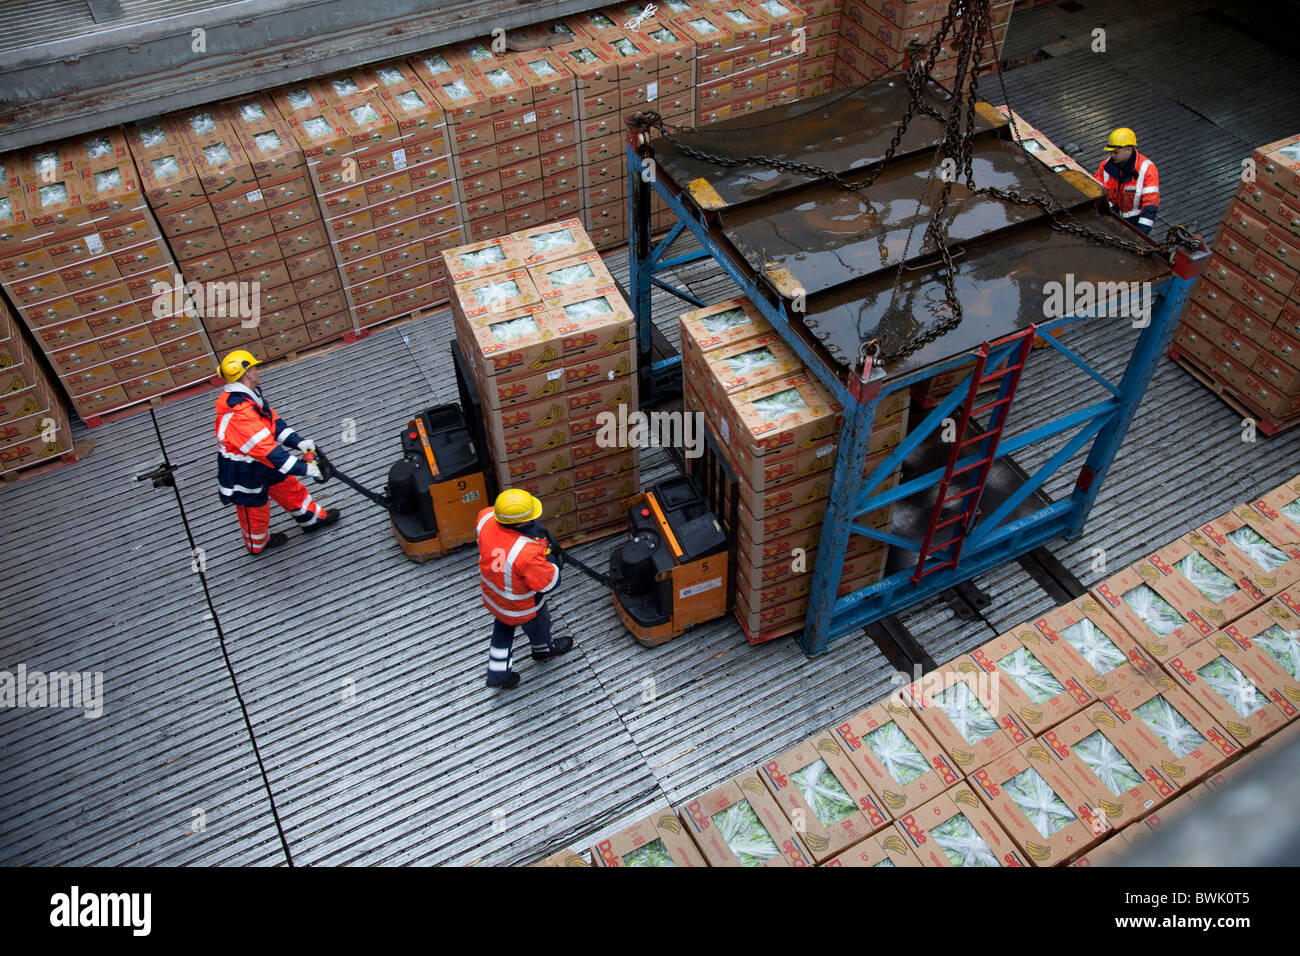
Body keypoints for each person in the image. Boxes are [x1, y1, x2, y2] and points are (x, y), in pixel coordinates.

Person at [215, 349, 340, 554]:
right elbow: (273, 454)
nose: (258, 371)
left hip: (262, 460)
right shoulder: (240, 414)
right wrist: (309, 469)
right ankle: (257, 544)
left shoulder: (250, 399)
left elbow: (274, 424)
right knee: (254, 509)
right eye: (254, 367)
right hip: (244, 470)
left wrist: (299, 443)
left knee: (290, 488)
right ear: (247, 373)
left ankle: (312, 520)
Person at [476, 489, 573, 689]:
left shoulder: (485, 517)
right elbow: (548, 583)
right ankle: (544, 650)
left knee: (503, 628)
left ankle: (497, 673)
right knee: (539, 624)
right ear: (520, 523)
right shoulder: (525, 552)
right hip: (523, 603)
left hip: (494, 592)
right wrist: (552, 560)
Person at [1094, 127, 1160, 235]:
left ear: (1128, 149)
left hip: (1134, 222)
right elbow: (1097, 191)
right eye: (1111, 152)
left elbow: (1150, 205)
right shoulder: (1105, 166)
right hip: (1111, 216)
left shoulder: (1147, 169)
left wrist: (1141, 234)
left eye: (1116, 152)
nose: (1112, 155)